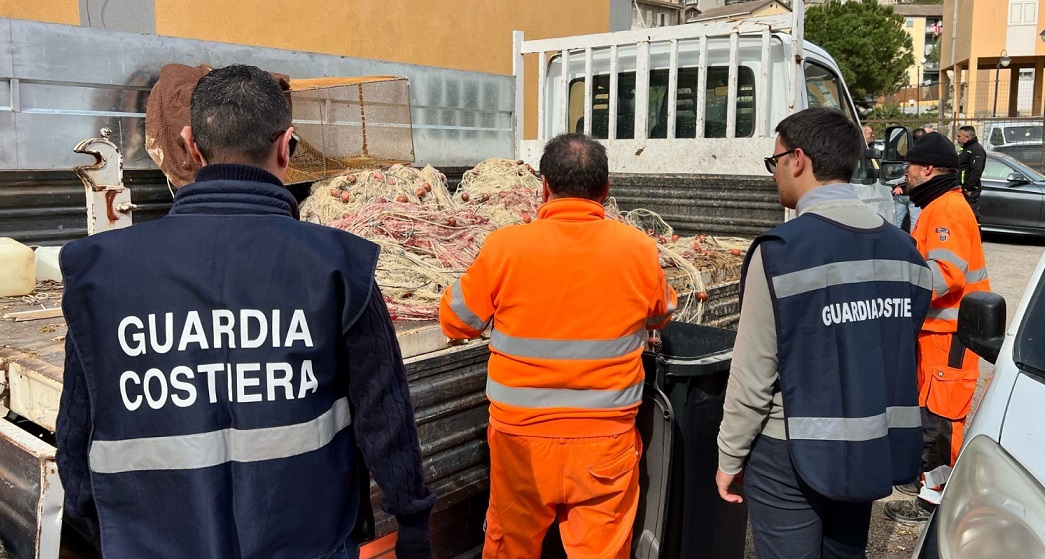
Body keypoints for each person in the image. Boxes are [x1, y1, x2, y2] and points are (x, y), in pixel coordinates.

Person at [56, 65, 435, 559]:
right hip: (309, 542)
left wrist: (93, 517)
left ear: (191, 146)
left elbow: (77, 427)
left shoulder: (102, 272)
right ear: (287, 146)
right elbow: (385, 417)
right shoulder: (341, 265)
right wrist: (412, 522)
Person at [439, 133, 677, 559]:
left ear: (544, 187)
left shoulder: (505, 248)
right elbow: (661, 315)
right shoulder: (638, 250)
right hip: (605, 447)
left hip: (521, 446)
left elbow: (455, 322)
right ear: (605, 190)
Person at [715, 107, 932, 558]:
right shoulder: (905, 251)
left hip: (789, 451)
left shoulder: (780, 253)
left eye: (773, 162)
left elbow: (753, 373)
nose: (774, 174)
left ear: (797, 160)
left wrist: (729, 457)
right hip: (869, 442)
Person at [883, 132, 991, 524]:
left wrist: (896, 283)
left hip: (950, 336)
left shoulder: (945, 209)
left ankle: (935, 501)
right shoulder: (939, 205)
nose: (906, 174)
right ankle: (928, 480)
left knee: (942, 419)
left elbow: (945, 276)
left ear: (927, 169)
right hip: (939, 334)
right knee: (930, 412)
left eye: (910, 167)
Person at [892, 127, 927, 232]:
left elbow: (894, 170)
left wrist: (896, 185)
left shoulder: (903, 151)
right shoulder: (926, 154)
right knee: (914, 222)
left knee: (896, 223)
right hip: (916, 192)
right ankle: (913, 244)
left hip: (901, 191)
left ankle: (895, 243)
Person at [957, 125, 986, 220]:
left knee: (970, 216)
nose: (957, 139)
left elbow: (976, 171)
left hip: (970, 191)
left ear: (967, 137)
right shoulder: (966, 149)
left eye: (959, 136)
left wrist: (967, 188)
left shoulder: (976, 150)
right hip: (961, 189)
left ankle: (975, 233)